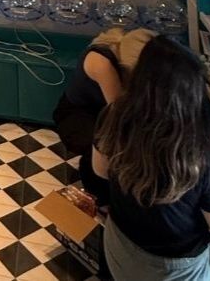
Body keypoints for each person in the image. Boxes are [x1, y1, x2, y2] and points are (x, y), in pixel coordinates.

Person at [92, 37, 210, 281]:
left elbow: (100, 170)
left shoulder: (114, 115)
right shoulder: (197, 159)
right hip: (171, 272)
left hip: (119, 250)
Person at [52, 27, 154, 194]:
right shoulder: (102, 63)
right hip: (77, 114)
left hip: (103, 112)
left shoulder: (127, 49)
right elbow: (119, 112)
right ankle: (98, 191)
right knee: (105, 147)